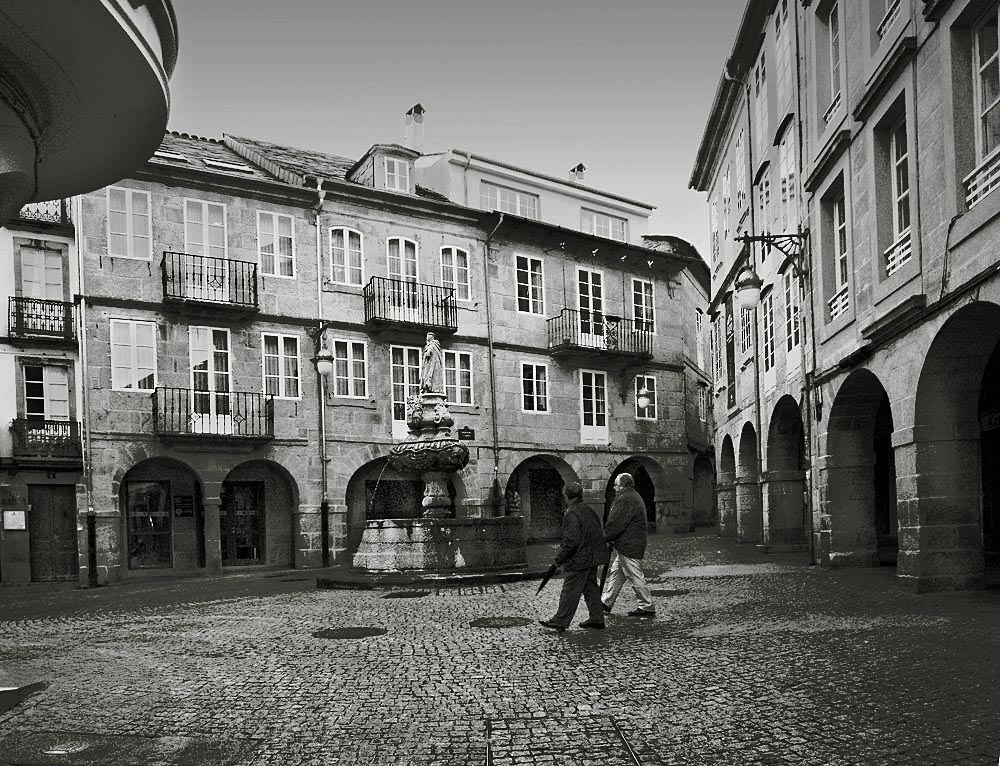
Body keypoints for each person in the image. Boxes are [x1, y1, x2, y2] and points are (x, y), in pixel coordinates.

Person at [539, 482, 609, 633]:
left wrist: (559, 559)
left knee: (570, 589)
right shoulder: (588, 509)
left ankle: (560, 620)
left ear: (566, 495)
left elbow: (571, 541)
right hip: (591, 556)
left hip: (580, 558)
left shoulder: (571, 512)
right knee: (590, 589)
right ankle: (597, 619)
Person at [602, 472, 655, 617]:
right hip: (629, 543)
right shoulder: (632, 496)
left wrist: (605, 536)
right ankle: (606, 602)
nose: (614, 488)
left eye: (616, 485)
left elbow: (616, 522)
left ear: (624, 485)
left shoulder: (625, 499)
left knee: (634, 575)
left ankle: (646, 605)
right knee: (617, 573)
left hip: (629, 544)